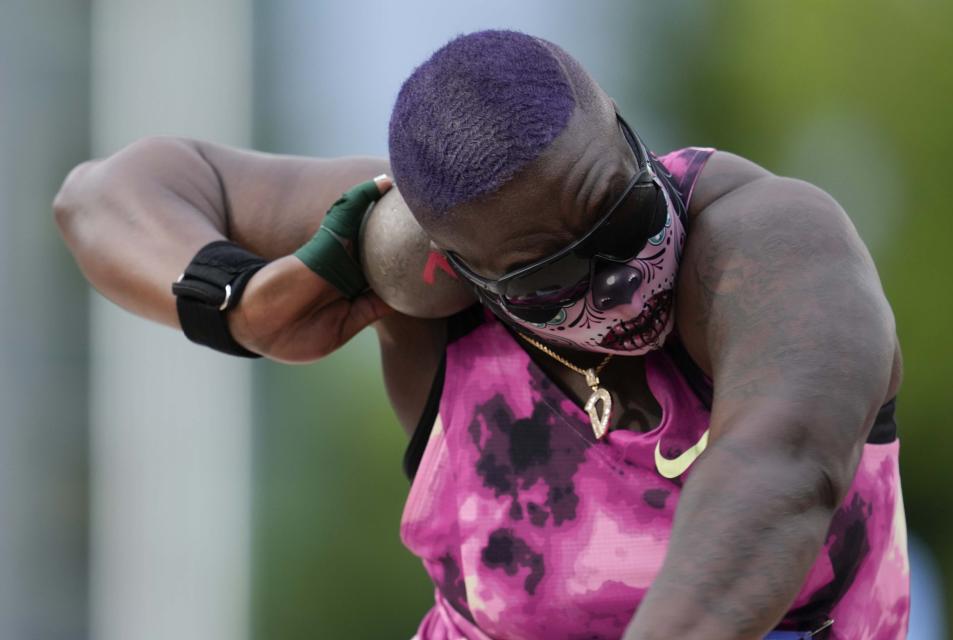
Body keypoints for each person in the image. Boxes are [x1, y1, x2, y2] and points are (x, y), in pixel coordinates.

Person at [54, 30, 907, 640]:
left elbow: (778, 470)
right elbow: (101, 194)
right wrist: (237, 301)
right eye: (552, 276)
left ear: (626, 136)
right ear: (460, 271)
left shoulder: (774, 243)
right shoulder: (419, 258)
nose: (618, 278)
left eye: (627, 216)